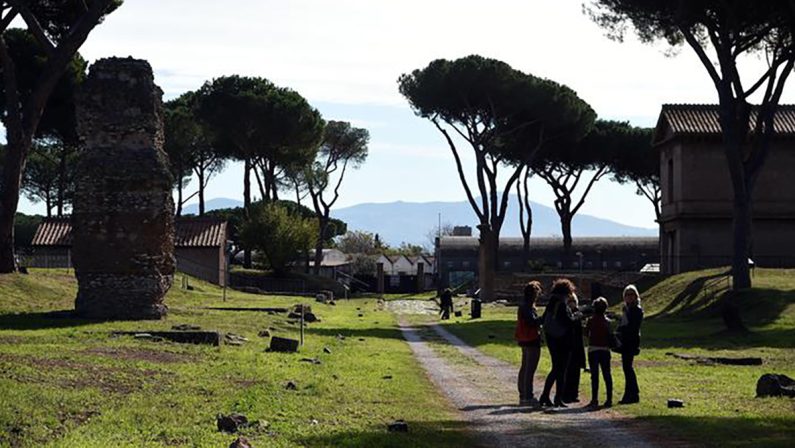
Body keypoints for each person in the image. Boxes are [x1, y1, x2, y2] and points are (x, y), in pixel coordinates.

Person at [539, 278, 577, 407]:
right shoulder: (561, 304)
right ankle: (556, 397)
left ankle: (547, 396)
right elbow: (568, 321)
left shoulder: (551, 303)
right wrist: (577, 316)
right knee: (560, 369)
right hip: (562, 339)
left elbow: (544, 319)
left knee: (556, 368)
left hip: (551, 338)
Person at [515, 281, 543, 407]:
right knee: (529, 369)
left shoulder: (523, 306)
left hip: (524, 339)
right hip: (531, 339)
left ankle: (523, 394)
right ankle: (527, 396)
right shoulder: (527, 307)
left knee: (525, 367)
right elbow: (532, 322)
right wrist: (544, 317)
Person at [617, 284, 644, 404]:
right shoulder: (627, 309)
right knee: (627, 368)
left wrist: (622, 329)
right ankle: (632, 393)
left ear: (635, 296)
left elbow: (632, 327)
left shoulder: (636, 310)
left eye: (631, 295)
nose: (629, 297)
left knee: (628, 368)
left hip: (631, 341)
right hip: (625, 341)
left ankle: (631, 395)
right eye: (627, 295)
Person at [586, 297, 613, 408]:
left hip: (593, 349)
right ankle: (609, 399)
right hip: (605, 350)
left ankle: (594, 399)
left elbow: (586, 333)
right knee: (607, 374)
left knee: (595, 375)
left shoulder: (591, 321)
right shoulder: (607, 322)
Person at [562, 293, 586, 403]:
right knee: (568, 370)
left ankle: (574, 393)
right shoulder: (567, 314)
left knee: (576, 371)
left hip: (577, 345)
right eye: (570, 301)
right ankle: (566, 393)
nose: (572, 304)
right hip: (568, 344)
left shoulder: (578, 314)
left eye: (573, 301)